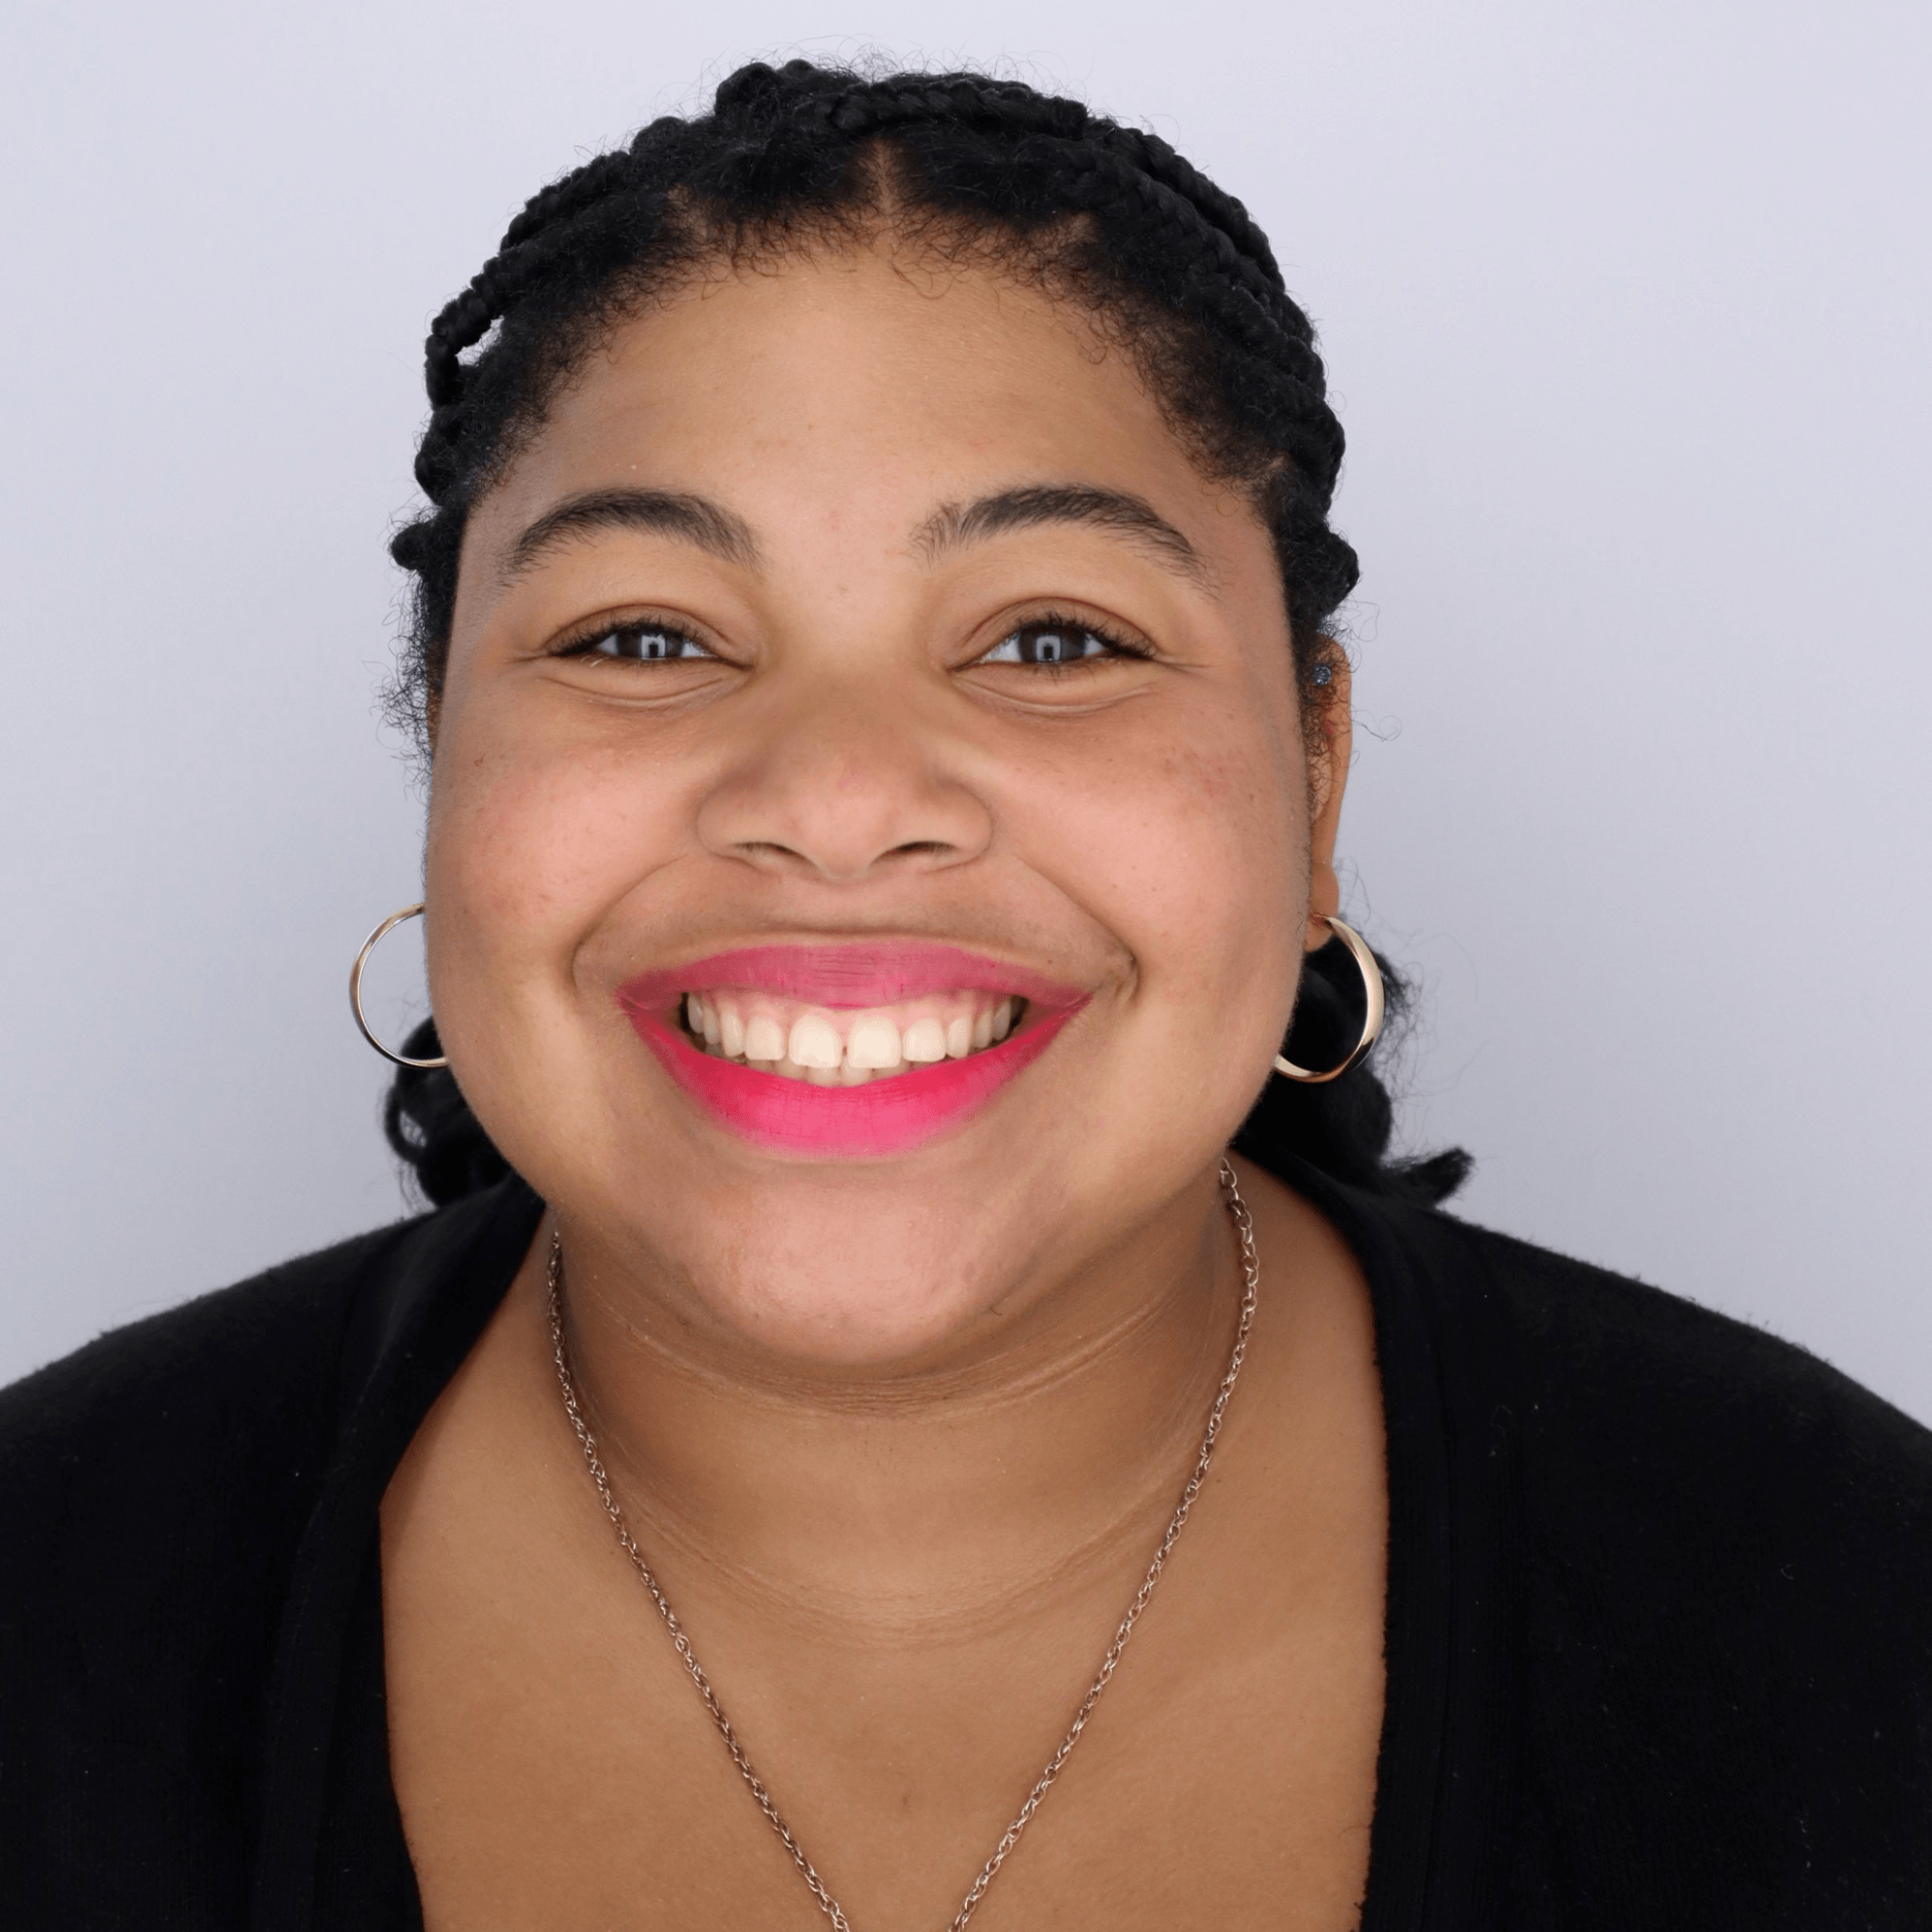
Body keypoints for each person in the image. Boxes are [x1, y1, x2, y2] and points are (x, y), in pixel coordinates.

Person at [2, 57, 1927, 1932]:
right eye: (646, 636)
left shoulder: (1850, 1607)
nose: (840, 800)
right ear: (447, 754)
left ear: (1314, 773)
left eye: (1053, 638)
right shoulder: (47, 1585)